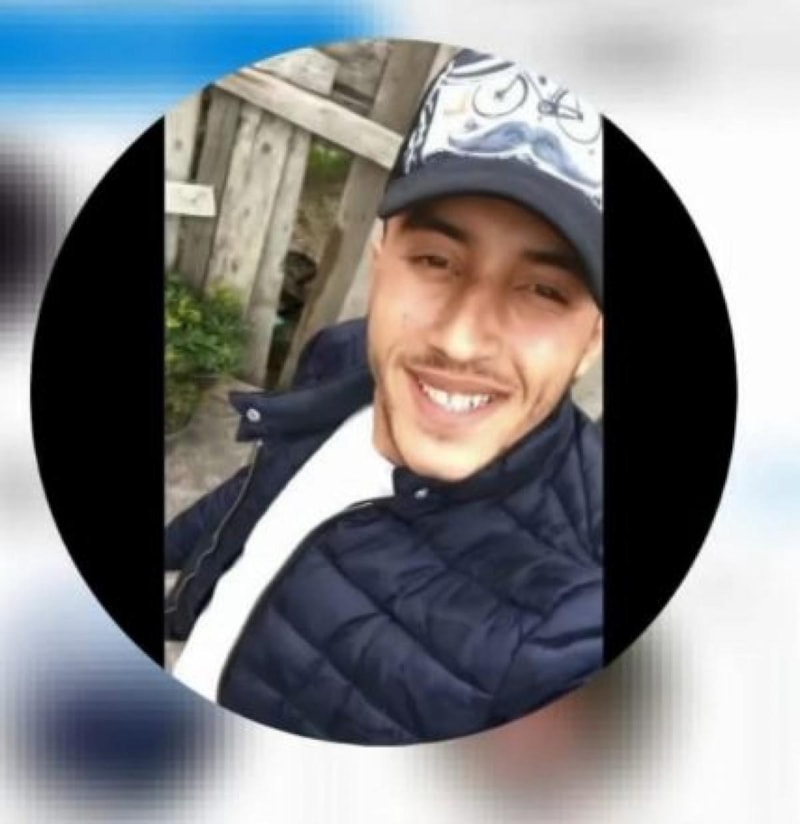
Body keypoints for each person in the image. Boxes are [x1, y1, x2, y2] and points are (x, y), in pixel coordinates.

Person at [164, 48, 604, 745]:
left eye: (544, 290)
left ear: (593, 340)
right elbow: (260, 491)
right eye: (435, 260)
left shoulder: (572, 622)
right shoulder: (345, 359)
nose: (460, 340)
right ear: (381, 258)